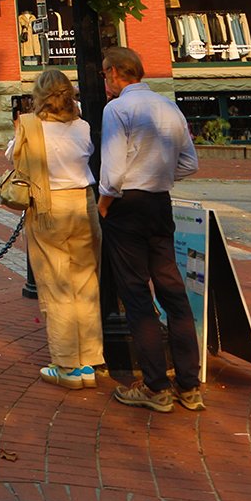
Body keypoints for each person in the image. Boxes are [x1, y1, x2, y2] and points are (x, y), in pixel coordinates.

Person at [97, 45, 203, 413]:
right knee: (172, 289)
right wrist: (159, 175)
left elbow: (111, 172)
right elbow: (190, 162)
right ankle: (189, 384)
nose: (105, 80)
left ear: (114, 73)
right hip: (160, 203)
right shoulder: (168, 106)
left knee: (137, 295)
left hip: (127, 206)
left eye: (105, 73)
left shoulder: (117, 109)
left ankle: (156, 385)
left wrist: (105, 203)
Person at [8, 68, 103, 391]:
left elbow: (14, 159)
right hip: (83, 203)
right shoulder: (84, 126)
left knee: (57, 284)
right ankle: (89, 360)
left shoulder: (30, 127)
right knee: (86, 282)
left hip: (49, 207)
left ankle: (66, 364)